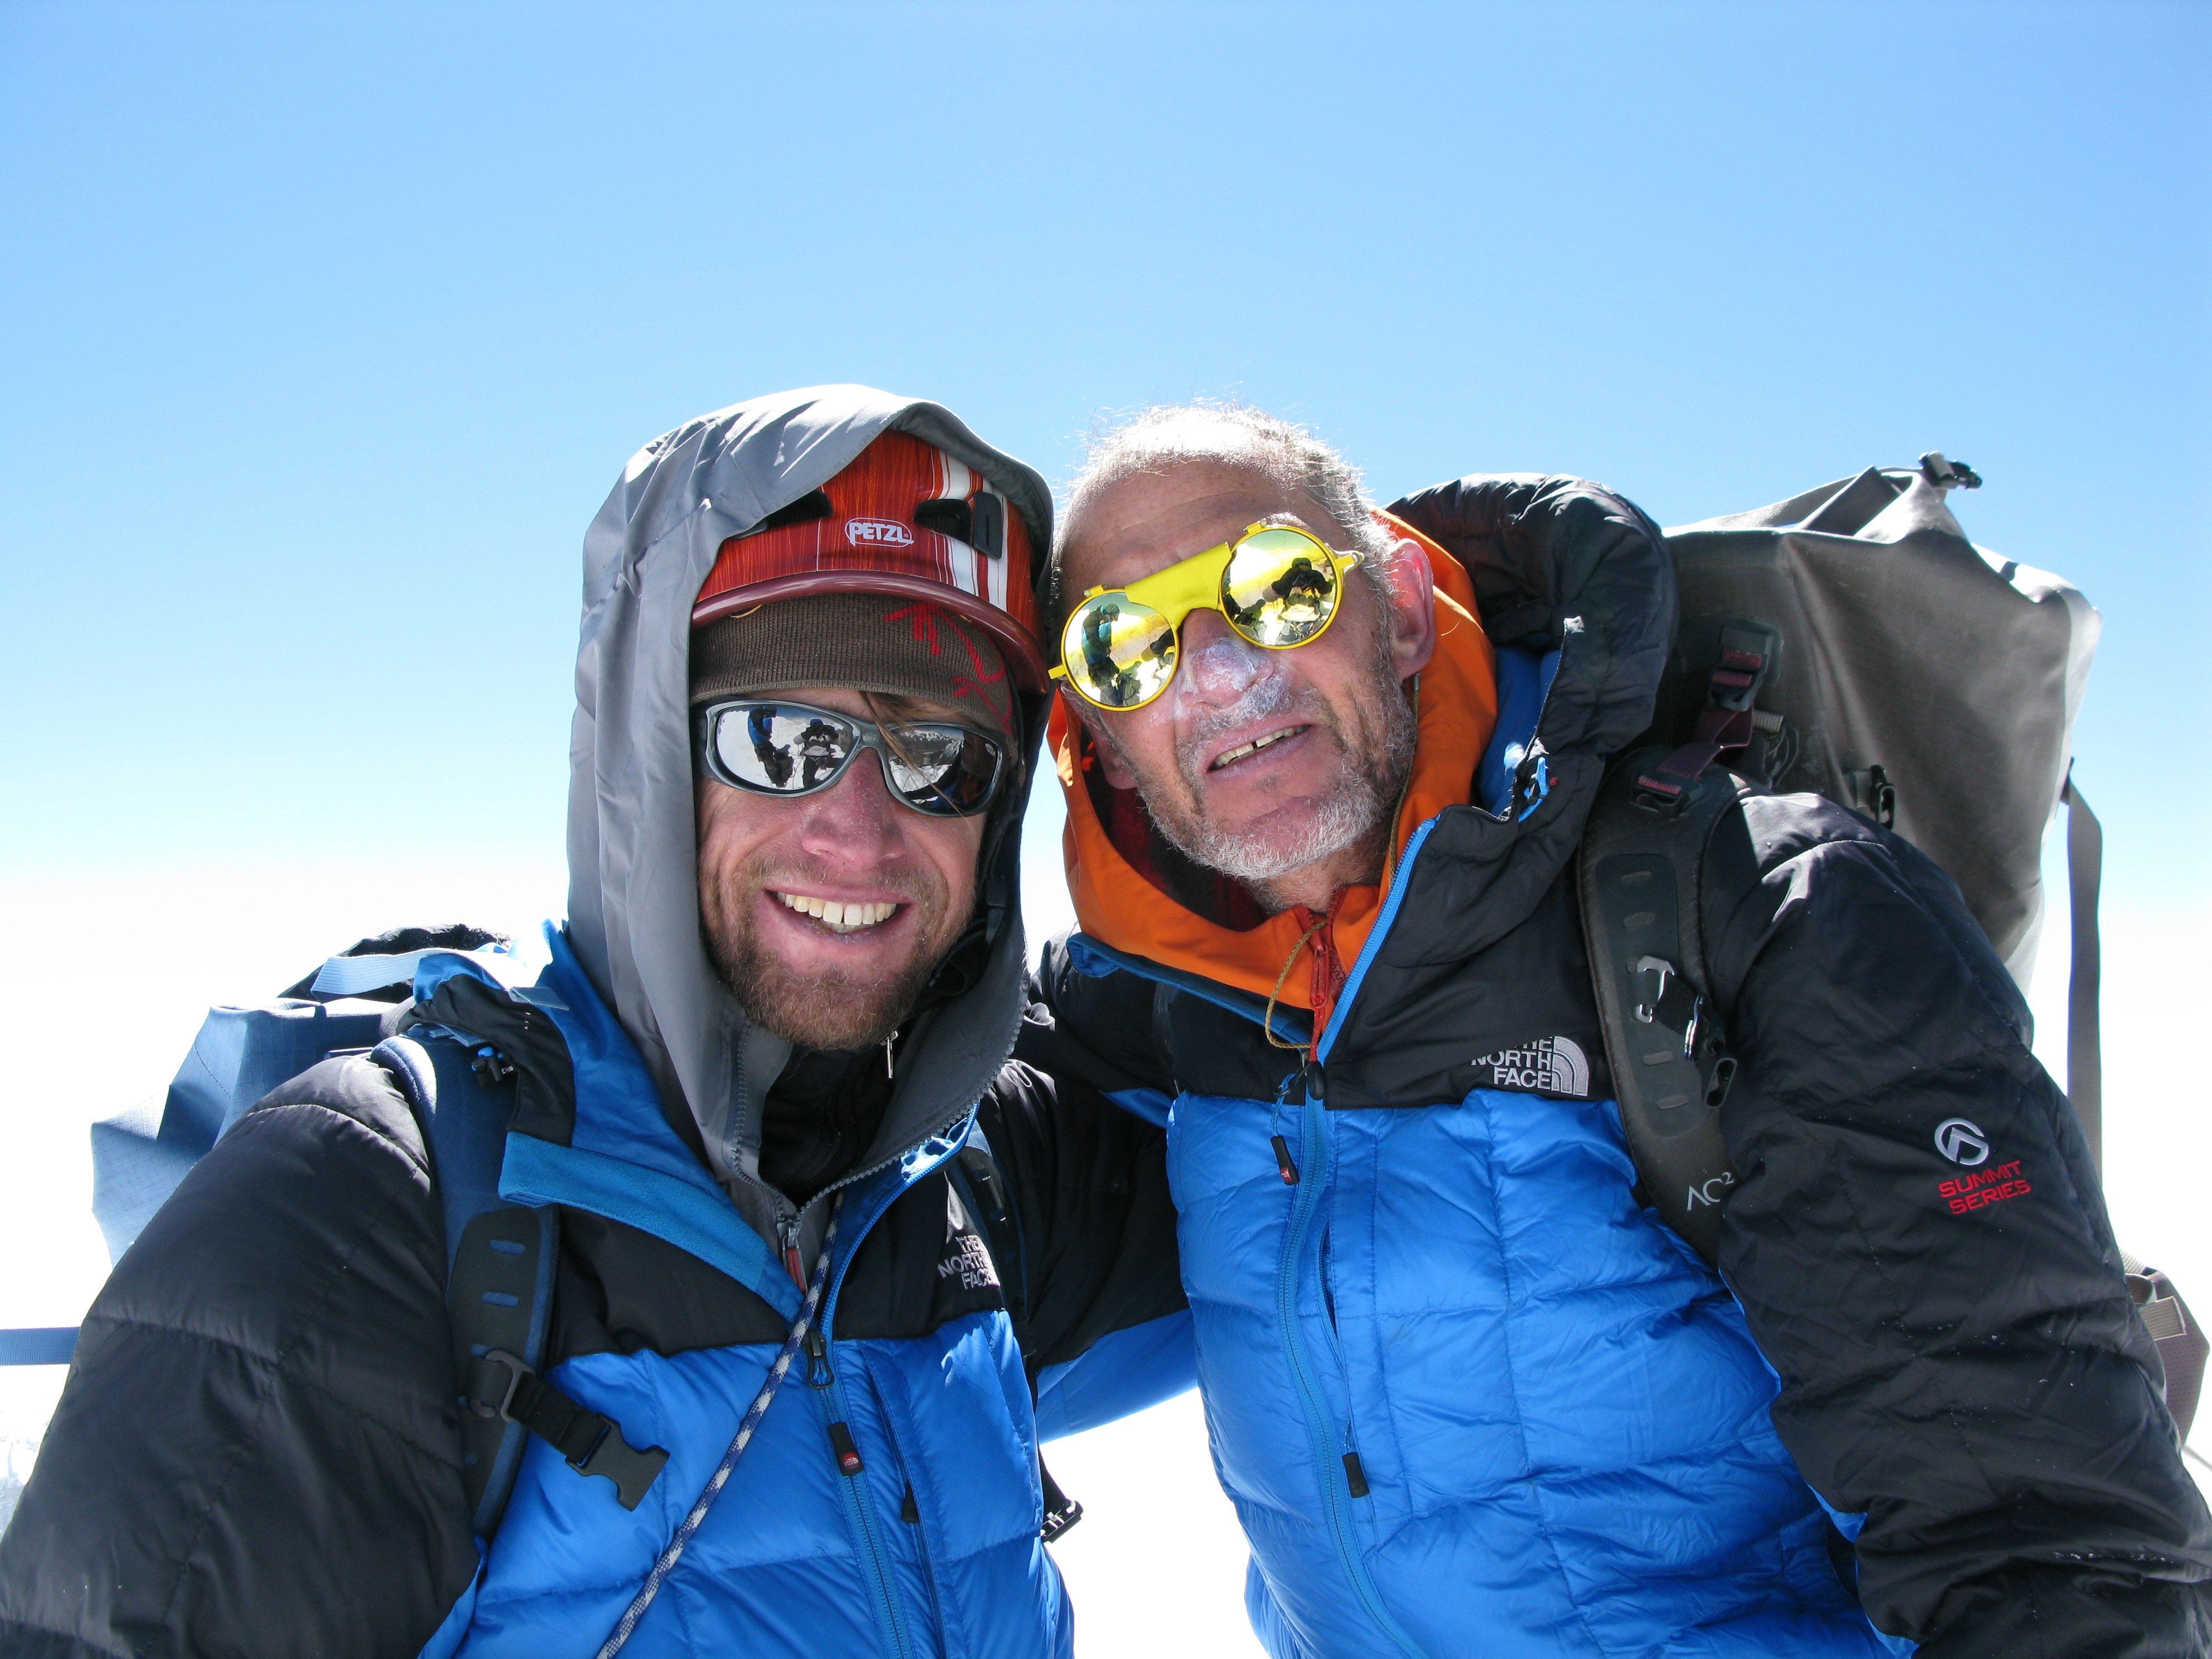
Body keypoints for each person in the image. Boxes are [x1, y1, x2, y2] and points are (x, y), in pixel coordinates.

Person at [0, 387, 1188, 1658]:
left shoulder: (968, 1177)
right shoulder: (365, 1205)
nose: (858, 832)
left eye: (939, 760)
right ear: (650, 758)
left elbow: (1298, 1175)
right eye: (778, 740)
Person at [1018, 403, 2212, 1657]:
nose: (1217, 674)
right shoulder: (1154, 1001)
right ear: (1097, 738)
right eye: (1123, 645)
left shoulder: (1762, 910)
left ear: (1406, 608)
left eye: (1278, 584)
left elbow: (2034, 1544)